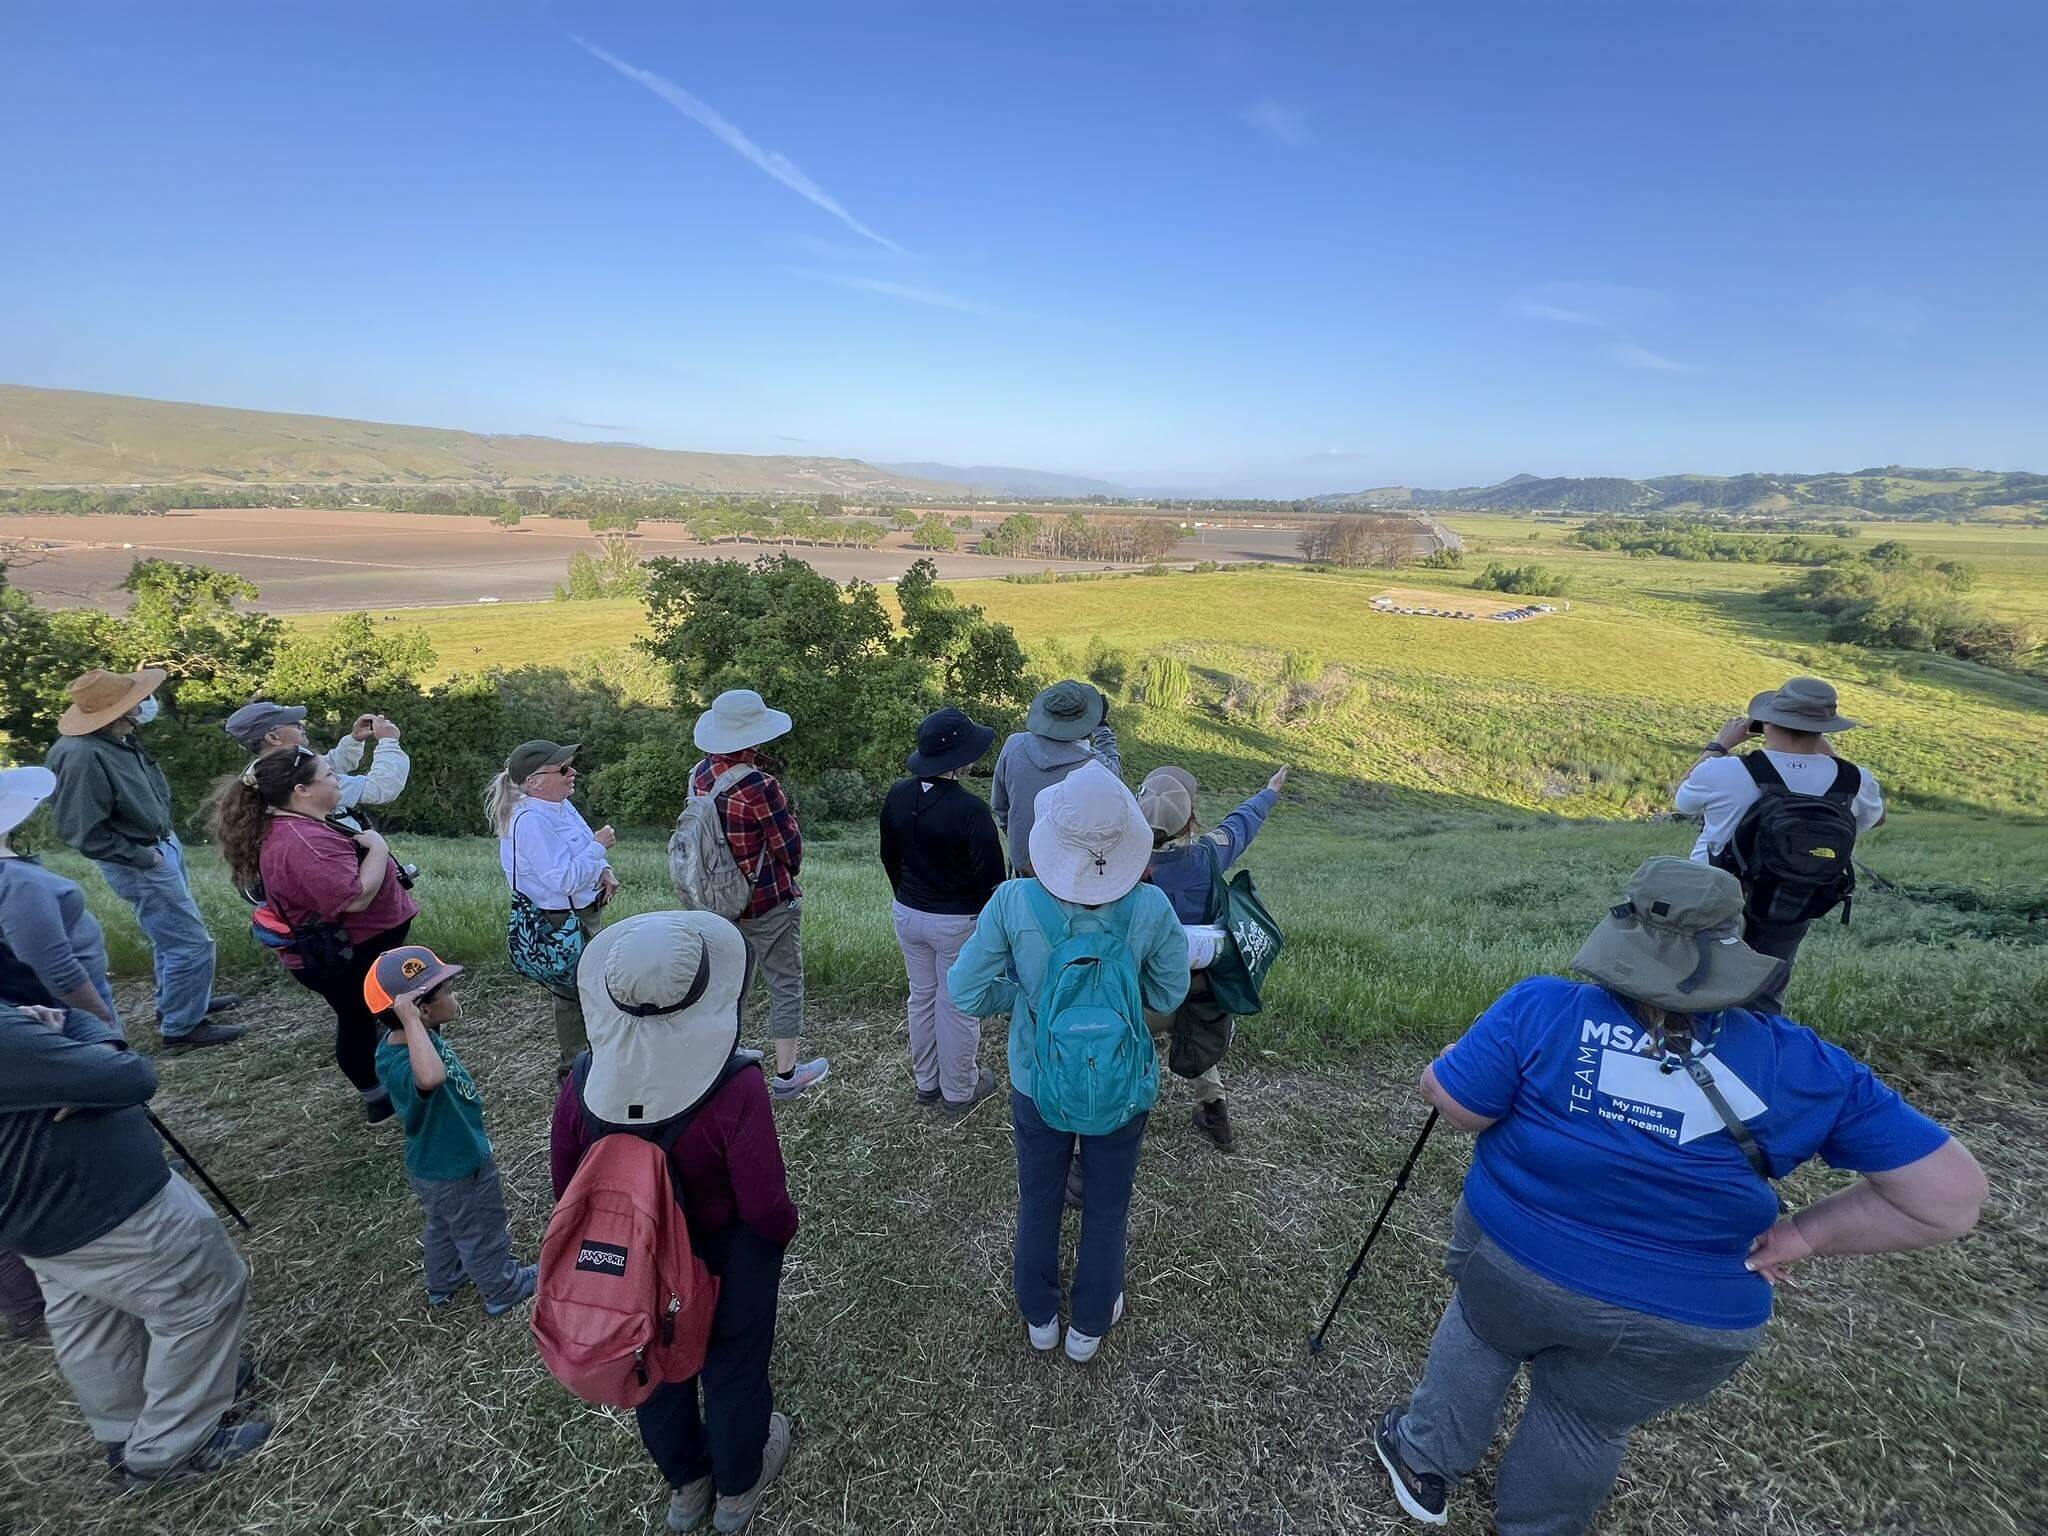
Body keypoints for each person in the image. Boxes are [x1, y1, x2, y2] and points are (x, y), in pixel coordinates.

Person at [1371, 857, 1986, 1536]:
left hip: (1515, 1262)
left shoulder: (1540, 1007)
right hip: (1692, 1320)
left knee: (1482, 1334)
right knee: (1584, 1419)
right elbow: (1950, 1198)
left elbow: (1460, 1108)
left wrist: (1439, 1071)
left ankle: (1424, 1457)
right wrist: (1805, 1235)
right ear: (1735, 942)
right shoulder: (1806, 1064)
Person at [550, 912, 799, 1535]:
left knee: (651, 1360)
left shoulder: (584, 1079)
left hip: (637, 1256)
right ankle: (738, 1490)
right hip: (724, 1251)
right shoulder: (735, 1085)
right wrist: (779, 1233)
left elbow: (568, 1186)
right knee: (735, 1365)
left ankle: (688, 1487)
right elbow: (764, 1201)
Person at [948, 762, 1191, 1364]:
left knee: (1039, 1198)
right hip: (1121, 1083)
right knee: (1108, 1206)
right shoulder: (1152, 908)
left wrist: (1029, 1000)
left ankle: (1039, 1317)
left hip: (1037, 1080)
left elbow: (965, 991)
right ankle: (1088, 1326)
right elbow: (1167, 996)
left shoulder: (1012, 901)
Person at [0, 999, 269, 1488]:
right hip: (106, 1206)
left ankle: (125, 1429)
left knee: (90, 1322)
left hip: (36, 1218)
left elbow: (74, 1026)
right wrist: (83, 1047)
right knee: (201, 1301)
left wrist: (68, 1042)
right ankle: (169, 1447)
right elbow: (129, 1077)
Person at [212, 747, 420, 1121]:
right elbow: (354, 898)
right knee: (356, 1017)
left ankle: (394, 1071)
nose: (336, 779)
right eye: (327, 775)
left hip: (355, 948)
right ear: (302, 789)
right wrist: (377, 846)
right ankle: (379, 1098)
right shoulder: (302, 841)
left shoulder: (298, 825)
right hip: (345, 954)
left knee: (365, 1013)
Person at [44, 668, 242, 1048]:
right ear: (120, 711)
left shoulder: (114, 739)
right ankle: (183, 1026)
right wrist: (144, 858)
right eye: (135, 700)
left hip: (156, 845)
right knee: (190, 942)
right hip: (139, 859)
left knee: (169, 936)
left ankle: (180, 1003)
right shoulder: (83, 756)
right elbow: (82, 831)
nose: (143, 704)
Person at [1674, 676, 1886, 1013]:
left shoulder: (1724, 770)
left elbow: (1682, 799)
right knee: (1765, 995)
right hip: (1793, 899)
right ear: (1827, 727)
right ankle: (1754, 1048)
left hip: (1714, 894)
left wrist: (1719, 745)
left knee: (1691, 985)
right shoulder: (1855, 778)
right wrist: (1828, 756)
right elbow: (1877, 819)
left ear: (1768, 723)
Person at [366, 944, 537, 1315]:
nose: (456, 994)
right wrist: (412, 1021)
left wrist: (414, 1025)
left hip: (436, 1165)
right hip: (456, 1166)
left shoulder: (409, 1041)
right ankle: (503, 1288)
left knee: (444, 1225)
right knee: (482, 1227)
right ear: (421, 1009)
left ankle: (443, 1280)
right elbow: (431, 1077)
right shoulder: (404, 1059)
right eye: (448, 990)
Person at [1134, 762, 1289, 1151]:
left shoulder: (1124, 868)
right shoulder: (1206, 855)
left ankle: (1123, 1112)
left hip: (1145, 998)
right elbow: (1241, 824)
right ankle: (1214, 1107)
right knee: (1194, 1030)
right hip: (1200, 992)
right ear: (1189, 819)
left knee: (1125, 1033)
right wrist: (1269, 791)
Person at [690, 691, 828, 1101]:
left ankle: (724, 1058)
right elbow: (789, 846)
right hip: (765, 900)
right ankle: (787, 1075)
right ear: (752, 739)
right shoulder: (760, 785)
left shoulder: (700, 775)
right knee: (785, 981)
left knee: (729, 980)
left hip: (715, 900)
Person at [879, 707, 1004, 1116]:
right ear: (960, 760)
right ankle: (959, 1089)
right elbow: (991, 880)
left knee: (922, 997)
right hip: (956, 921)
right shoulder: (971, 810)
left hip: (908, 912)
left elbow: (889, 857)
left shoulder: (898, 793)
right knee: (957, 1003)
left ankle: (927, 1082)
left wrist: (910, 896)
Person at [487, 740, 618, 1079]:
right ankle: (575, 1068)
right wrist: (598, 847)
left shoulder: (559, 805)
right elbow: (562, 880)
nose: (572, 773)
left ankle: (594, 1057)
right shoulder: (531, 821)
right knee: (575, 993)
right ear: (535, 782)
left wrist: (605, 871)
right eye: (563, 769)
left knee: (588, 986)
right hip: (559, 919)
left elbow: (578, 848)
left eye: (570, 766)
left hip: (583, 911)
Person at [0, 766, 119, 1024]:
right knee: (105, 1062)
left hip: (39, 1001)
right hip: (66, 1003)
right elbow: (52, 968)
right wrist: (100, 1019)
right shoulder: (20, 882)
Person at [988, 679, 1121, 875]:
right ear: (1087, 720)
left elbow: (1000, 805)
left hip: (1024, 863)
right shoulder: (1096, 766)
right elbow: (1117, 780)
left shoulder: (1013, 745)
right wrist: (1102, 729)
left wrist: (1017, 833)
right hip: (1072, 872)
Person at [224, 700, 412, 820]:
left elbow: (325, 766)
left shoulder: (264, 769)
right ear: (273, 738)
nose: (301, 725)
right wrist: (389, 742)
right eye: (294, 724)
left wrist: (354, 739)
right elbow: (382, 788)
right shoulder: (293, 774)